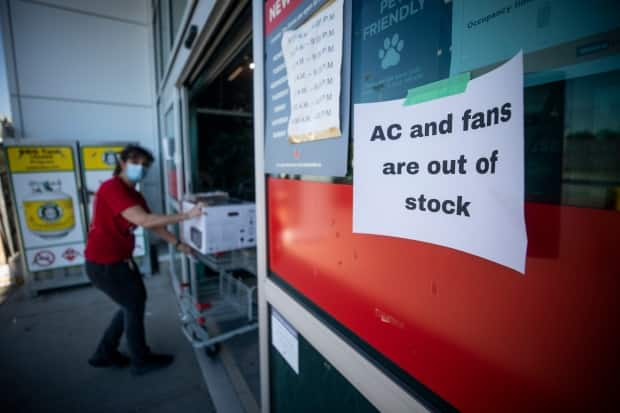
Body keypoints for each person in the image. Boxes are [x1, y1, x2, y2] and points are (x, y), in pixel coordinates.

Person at [84, 144, 202, 376]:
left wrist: (178, 245)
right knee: (133, 304)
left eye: (145, 165)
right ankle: (140, 359)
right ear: (122, 163)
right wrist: (187, 215)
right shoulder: (112, 188)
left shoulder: (133, 194)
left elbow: (153, 225)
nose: (141, 168)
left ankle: (104, 353)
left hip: (117, 260)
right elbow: (145, 220)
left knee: (131, 303)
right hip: (105, 263)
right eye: (136, 162)